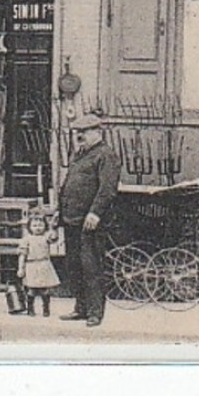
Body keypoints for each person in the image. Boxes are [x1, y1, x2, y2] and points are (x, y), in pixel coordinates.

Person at [57, 113, 121, 327]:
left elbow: (107, 189)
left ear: (98, 132)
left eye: (84, 132)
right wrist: (59, 213)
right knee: (74, 266)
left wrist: (95, 213)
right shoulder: (80, 155)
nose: (80, 136)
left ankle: (95, 313)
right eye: (78, 132)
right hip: (72, 219)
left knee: (91, 267)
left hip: (90, 222)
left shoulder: (106, 155)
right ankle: (81, 308)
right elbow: (67, 186)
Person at [16, 211, 62, 316]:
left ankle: (46, 309)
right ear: (29, 227)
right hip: (31, 266)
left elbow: (54, 237)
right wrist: (21, 268)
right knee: (31, 289)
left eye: (40, 225)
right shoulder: (26, 239)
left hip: (43, 265)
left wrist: (52, 227)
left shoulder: (45, 237)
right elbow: (22, 255)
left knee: (45, 290)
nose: (38, 228)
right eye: (34, 225)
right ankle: (30, 309)